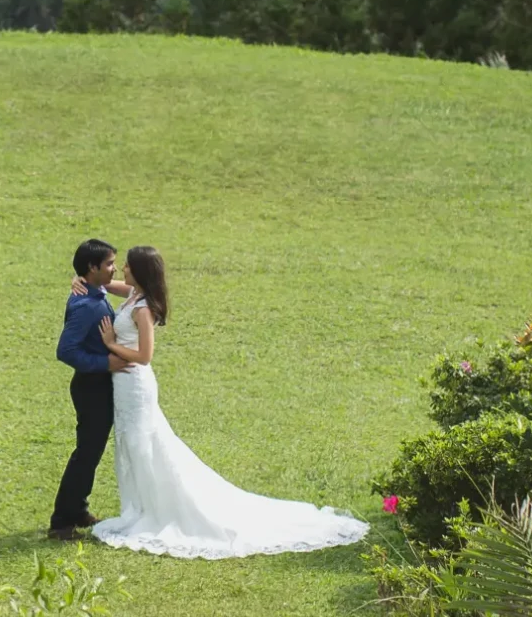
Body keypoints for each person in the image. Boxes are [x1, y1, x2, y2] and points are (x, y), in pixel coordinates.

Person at [88, 246, 367, 559]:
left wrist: (111, 345)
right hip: (124, 387)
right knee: (133, 446)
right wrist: (84, 281)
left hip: (135, 384)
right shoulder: (133, 295)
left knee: (144, 446)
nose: (121, 269)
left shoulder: (142, 308)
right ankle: (140, 506)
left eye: (127, 266)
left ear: (139, 272)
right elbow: (108, 286)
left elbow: (144, 356)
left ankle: (157, 510)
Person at [49, 238, 126, 540]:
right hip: (91, 387)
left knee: (91, 453)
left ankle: (77, 509)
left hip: (98, 385)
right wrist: (104, 363)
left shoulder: (94, 292)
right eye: (108, 264)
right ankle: (61, 522)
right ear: (92, 268)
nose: (114, 268)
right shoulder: (85, 305)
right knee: (86, 453)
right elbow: (65, 351)